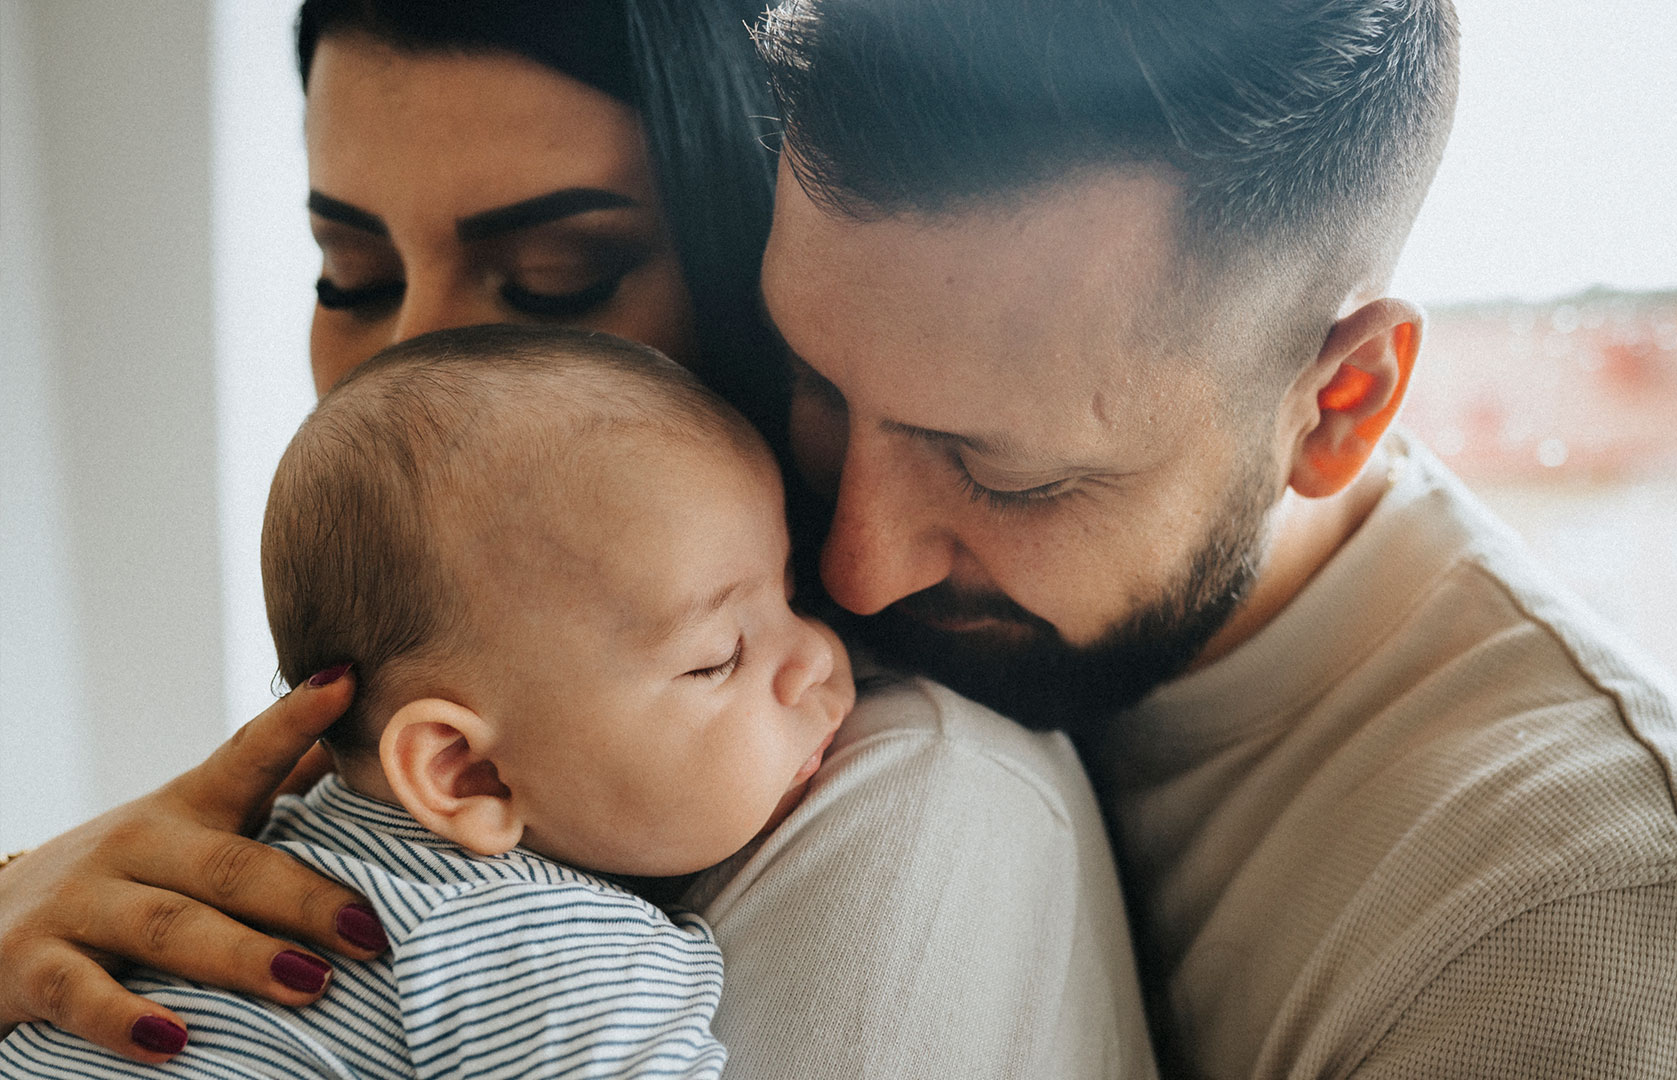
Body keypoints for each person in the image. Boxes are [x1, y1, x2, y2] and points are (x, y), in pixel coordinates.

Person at [0, 3, 1152, 1077]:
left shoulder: (904, 807)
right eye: (353, 277)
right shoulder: (338, 804)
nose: (413, 360)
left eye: (559, 280)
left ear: (765, 274)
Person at [750, 0, 1677, 1075]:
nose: (851, 569)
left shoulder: (1579, 910)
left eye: (1009, 477)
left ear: (1341, 402)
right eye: (817, 386)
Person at [8, 327, 833, 1076]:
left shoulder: (289, 845)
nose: (818, 657)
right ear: (467, 772)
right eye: (720, 658)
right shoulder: (566, 954)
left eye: (791, 591)